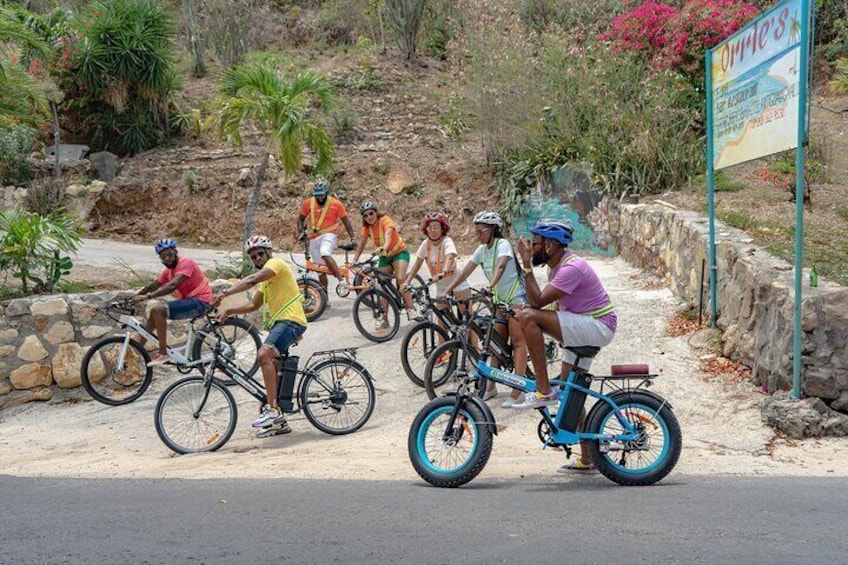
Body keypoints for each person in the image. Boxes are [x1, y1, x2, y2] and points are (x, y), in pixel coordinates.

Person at [515, 218, 617, 472]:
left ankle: (542, 389)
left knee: (529, 317)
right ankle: (588, 458)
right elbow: (548, 305)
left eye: (535, 243)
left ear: (549, 245)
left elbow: (538, 301)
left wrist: (526, 265)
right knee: (572, 393)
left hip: (596, 325)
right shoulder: (558, 267)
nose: (531, 247)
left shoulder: (572, 268)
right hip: (587, 326)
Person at [213, 235, 307, 438]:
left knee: (263, 354)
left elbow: (252, 279)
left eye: (260, 254)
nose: (257, 258)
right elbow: (254, 305)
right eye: (253, 257)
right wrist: (230, 311)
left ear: (269, 253)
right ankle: (279, 421)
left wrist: (225, 293)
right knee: (274, 365)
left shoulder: (276, 264)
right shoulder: (267, 282)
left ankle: (273, 412)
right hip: (283, 322)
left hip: (290, 321)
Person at [440, 211, 528, 404]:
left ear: (493, 230)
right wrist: (449, 289)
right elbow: (466, 271)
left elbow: (501, 266)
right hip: (499, 300)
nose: (478, 236)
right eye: (476, 232)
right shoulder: (482, 250)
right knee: (495, 344)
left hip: (516, 299)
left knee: (518, 342)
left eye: (481, 232)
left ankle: (518, 390)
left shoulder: (502, 245)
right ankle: (491, 387)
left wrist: (489, 285)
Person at [132, 238, 213, 367]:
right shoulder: (168, 272)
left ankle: (163, 353)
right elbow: (153, 285)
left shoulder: (186, 263)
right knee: (154, 313)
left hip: (201, 302)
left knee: (158, 310)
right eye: (163, 257)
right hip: (191, 301)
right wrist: (133, 298)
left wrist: (146, 297)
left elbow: (172, 286)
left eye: (169, 254)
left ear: (175, 252)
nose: (167, 259)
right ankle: (138, 349)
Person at [402, 212, 470, 356]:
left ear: (442, 228)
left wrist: (444, 271)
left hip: (456, 280)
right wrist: (406, 282)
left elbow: (450, 257)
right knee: (441, 320)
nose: (433, 230)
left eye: (436, 227)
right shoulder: (425, 244)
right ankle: (443, 352)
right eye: (430, 227)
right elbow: (416, 265)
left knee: (467, 318)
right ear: (426, 229)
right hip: (442, 285)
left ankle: (474, 350)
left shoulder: (447, 241)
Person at [351, 201, 416, 322]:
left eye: (371, 213)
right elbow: (361, 245)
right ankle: (384, 319)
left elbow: (388, 235)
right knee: (381, 285)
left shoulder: (385, 220)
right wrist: (354, 260)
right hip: (385, 257)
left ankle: (410, 308)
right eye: (365, 215)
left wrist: (384, 246)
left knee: (401, 278)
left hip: (399, 253)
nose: (369, 217)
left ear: (376, 212)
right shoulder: (367, 228)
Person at [296, 178, 357, 296]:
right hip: (313, 237)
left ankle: (341, 280)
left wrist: (353, 238)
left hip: (329, 234)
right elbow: (300, 219)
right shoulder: (308, 203)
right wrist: (300, 232)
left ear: (326, 192)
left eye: (321, 195)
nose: (319, 198)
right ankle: (324, 298)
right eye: (317, 195)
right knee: (320, 270)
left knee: (325, 253)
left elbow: (346, 221)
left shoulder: (336, 204)